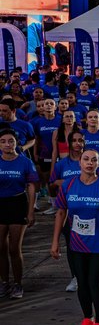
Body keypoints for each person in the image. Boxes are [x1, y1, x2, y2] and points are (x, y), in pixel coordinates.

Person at [49, 148, 99, 325]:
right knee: (81, 282)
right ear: (79, 163)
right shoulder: (69, 185)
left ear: (98, 164)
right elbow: (60, 213)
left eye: (94, 160)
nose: (90, 162)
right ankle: (87, 320)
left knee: (93, 282)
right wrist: (55, 240)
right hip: (77, 242)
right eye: (86, 159)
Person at [0, 129, 38, 300]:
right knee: (0, 247)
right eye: (3, 141)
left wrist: (30, 211)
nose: (7, 144)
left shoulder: (25, 162)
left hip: (17, 204)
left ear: (16, 143)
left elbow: (31, 187)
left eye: (11, 141)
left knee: (14, 248)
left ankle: (17, 284)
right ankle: (4, 283)